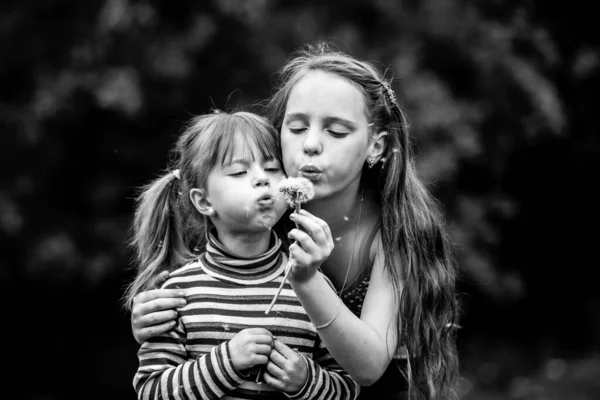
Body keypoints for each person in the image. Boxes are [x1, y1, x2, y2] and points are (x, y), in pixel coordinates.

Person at [130, 43, 460, 399]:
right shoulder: (259, 211)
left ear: (375, 146)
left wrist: (306, 280)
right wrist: (152, 320)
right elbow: (202, 300)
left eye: (336, 132)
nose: (311, 145)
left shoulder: (396, 231)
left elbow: (367, 368)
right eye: (297, 127)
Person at [124, 110, 360, 400]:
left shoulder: (312, 287)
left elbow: (349, 387)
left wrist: (306, 381)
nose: (262, 179)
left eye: (273, 169)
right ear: (203, 200)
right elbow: (151, 392)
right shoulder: (177, 294)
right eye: (239, 172)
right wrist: (225, 363)